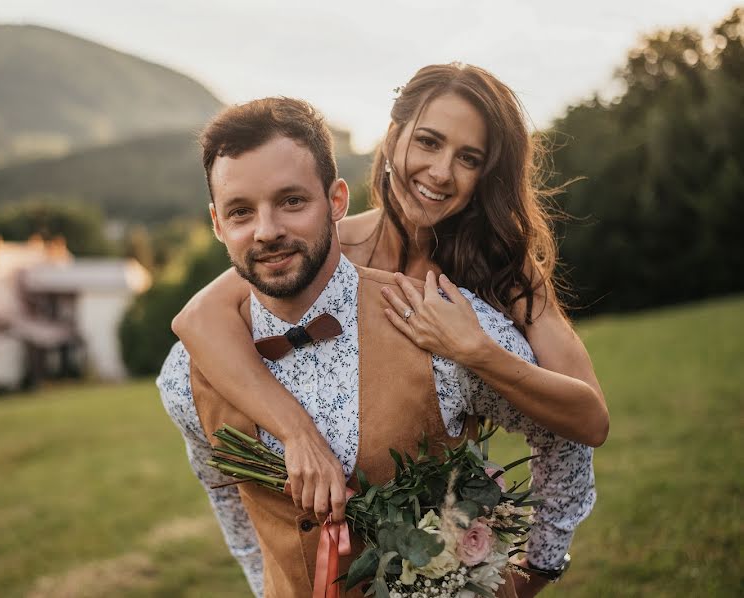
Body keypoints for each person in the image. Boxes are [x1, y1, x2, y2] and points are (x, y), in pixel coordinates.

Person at [157, 96, 595, 597]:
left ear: (337, 201)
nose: (268, 230)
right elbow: (230, 498)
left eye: (292, 201)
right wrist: (265, 584)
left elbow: (568, 433)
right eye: (240, 212)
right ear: (217, 224)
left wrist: (533, 571)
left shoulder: (440, 324)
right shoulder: (186, 376)